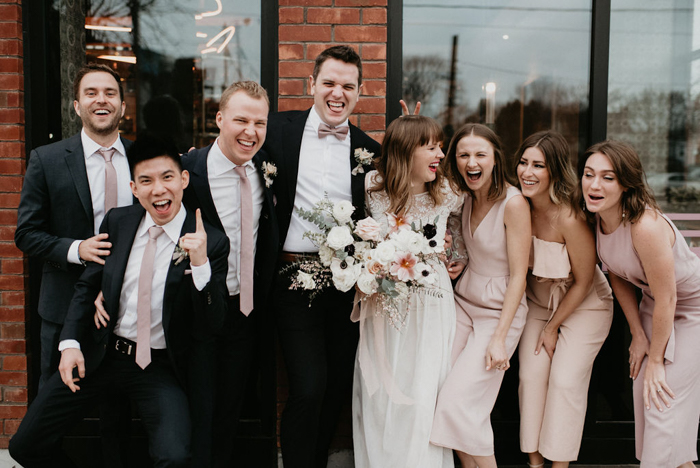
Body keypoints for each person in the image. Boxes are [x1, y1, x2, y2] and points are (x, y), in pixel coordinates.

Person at [8, 133, 230, 467]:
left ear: (183, 179)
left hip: (161, 367)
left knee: (174, 456)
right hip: (103, 355)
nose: (158, 189)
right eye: (146, 181)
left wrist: (200, 266)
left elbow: (214, 324)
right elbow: (87, 286)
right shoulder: (119, 221)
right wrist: (70, 343)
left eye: (167, 177)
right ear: (134, 188)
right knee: (25, 445)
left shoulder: (211, 242)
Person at [261, 45, 381, 468]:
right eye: (329, 82)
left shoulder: (369, 150)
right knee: (308, 387)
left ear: (359, 92)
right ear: (311, 84)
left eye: (348, 86)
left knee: (335, 388)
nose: (337, 93)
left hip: (346, 285)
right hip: (292, 279)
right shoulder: (276, 131)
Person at [577, 140, 700, 468]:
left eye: (607, 177)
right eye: (589, 174)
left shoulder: (644, 226)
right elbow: (618, 274)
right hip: (655, 305)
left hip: (691, 309)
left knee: (661, 396)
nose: (594, 184)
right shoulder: (599, 219)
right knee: (647, 399)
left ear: (626, 183)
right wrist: (638, 335)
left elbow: (670, 297)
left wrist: (657, 359)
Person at [352, 115, 462, 468]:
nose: (440, 154)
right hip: (384, 301)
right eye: (430, 146)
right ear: (404, 150)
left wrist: (456, 253)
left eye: (440, 146)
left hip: (432, 299)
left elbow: (475, 221)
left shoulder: (446, 193)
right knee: (382, 390)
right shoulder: (372, 186)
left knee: (425, 387)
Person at [15, 63, 132, 387]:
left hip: (125, 310)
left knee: (116, 414)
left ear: (123, 105)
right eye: (91, 93)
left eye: (110, 93)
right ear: (77, 105)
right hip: (63, 304)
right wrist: (75, 249)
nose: (101, 100)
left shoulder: (142, 161)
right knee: (51, 413)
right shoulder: (47, 160)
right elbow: (25, 234)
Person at [180, 80, 278, 467]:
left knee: (229, 414)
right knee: (197, 415)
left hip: (245, 312)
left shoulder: (269, 170)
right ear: (219, 119)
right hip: (197, 313)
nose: (250, 132)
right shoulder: (187, 171)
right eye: (241, 120)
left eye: (259, 123)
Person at [430, 123, 531, 468]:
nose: (471, 162)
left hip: (498, 315)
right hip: (463, 305)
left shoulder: (514, 203)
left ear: (494, 159)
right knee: (439, 399)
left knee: (458, 406)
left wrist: (500, 338)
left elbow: (520, 275)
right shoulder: (467, 197)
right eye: (463, 155)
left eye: (479, 155)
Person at [514, 131, 613, 468]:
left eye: (538, 165)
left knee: (564, 381)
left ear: (553, 171)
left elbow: (584, 281)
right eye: (524, 163)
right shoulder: (517, 208)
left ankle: (560, 465)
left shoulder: (570, 216)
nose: (527, 171)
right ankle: (535, 461)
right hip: (539, 304)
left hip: (586, 306)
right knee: (530, 377)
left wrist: (553, 327)